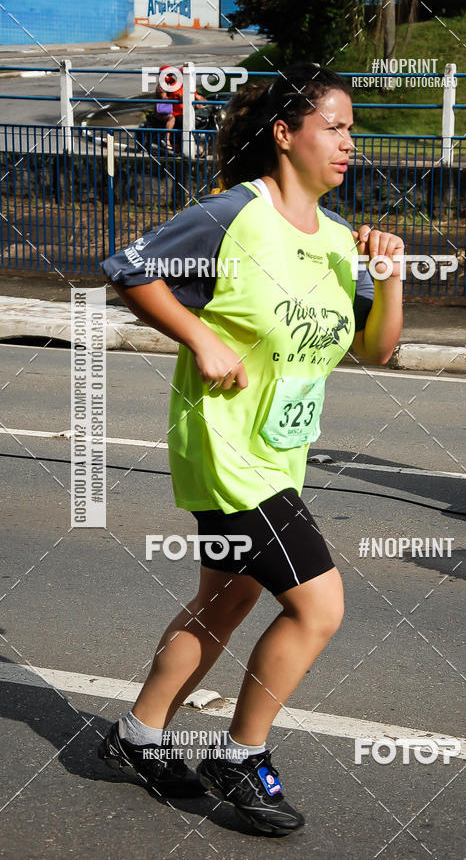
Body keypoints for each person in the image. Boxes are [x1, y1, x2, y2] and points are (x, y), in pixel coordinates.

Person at [99, 63, 404, 836]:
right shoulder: (232, 216)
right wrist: (199, 335)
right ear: (285, 135)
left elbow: (377, 351)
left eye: (352, 133)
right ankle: (240, 754)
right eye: (334, 128)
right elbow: (128, 270)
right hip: (223, 449)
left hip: (278, 454)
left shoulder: (339, 241)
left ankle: (136, 737)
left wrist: (390, 279)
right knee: (319, 604)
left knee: (228, 600)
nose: (348, 145)